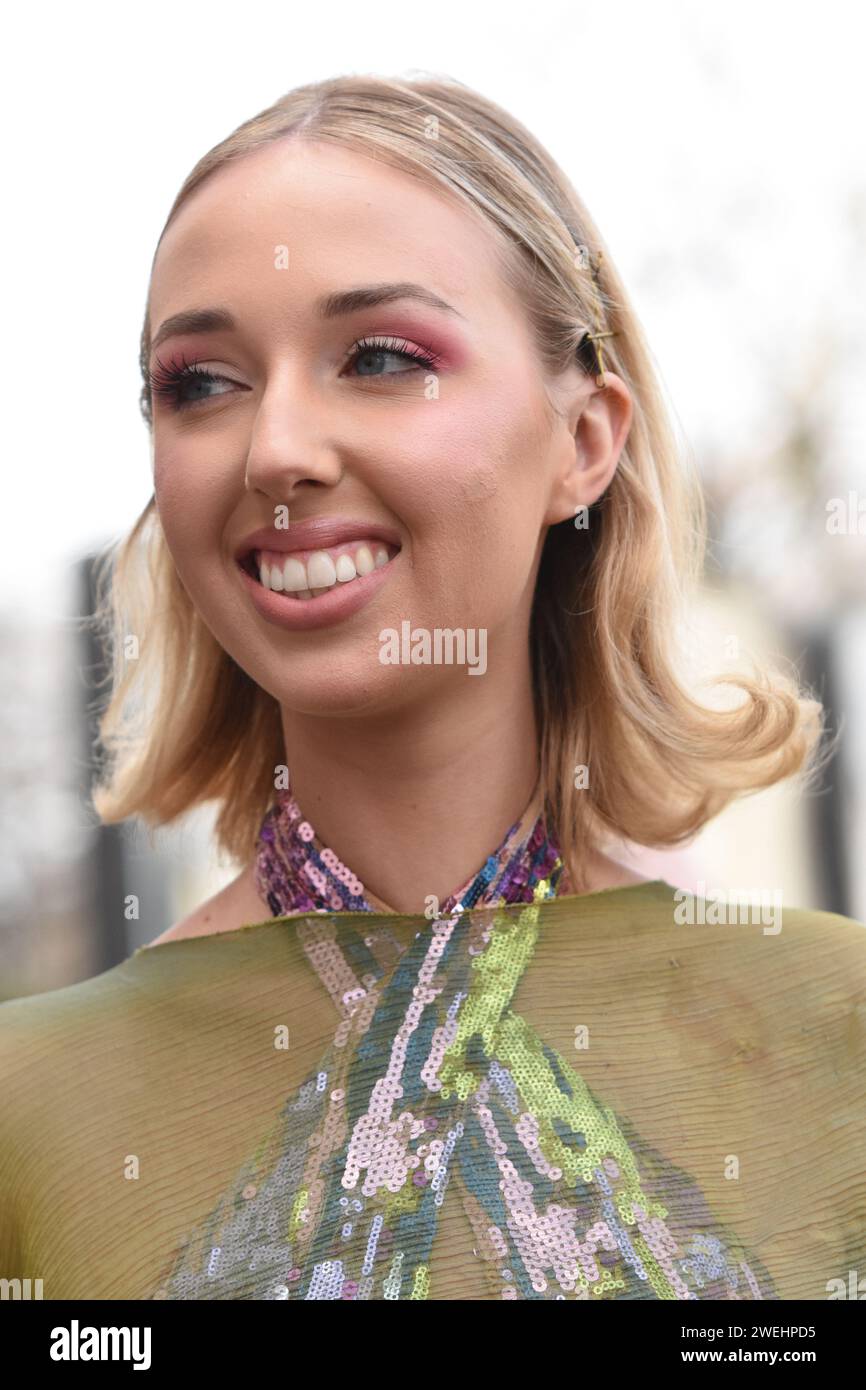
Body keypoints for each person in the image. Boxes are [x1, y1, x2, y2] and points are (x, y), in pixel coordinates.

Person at [0, 72, 863, 1303]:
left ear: (582, 441)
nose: (277, 449)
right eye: (200, 381)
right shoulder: (29, 1109)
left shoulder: (839, 1027)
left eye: (382, 357)